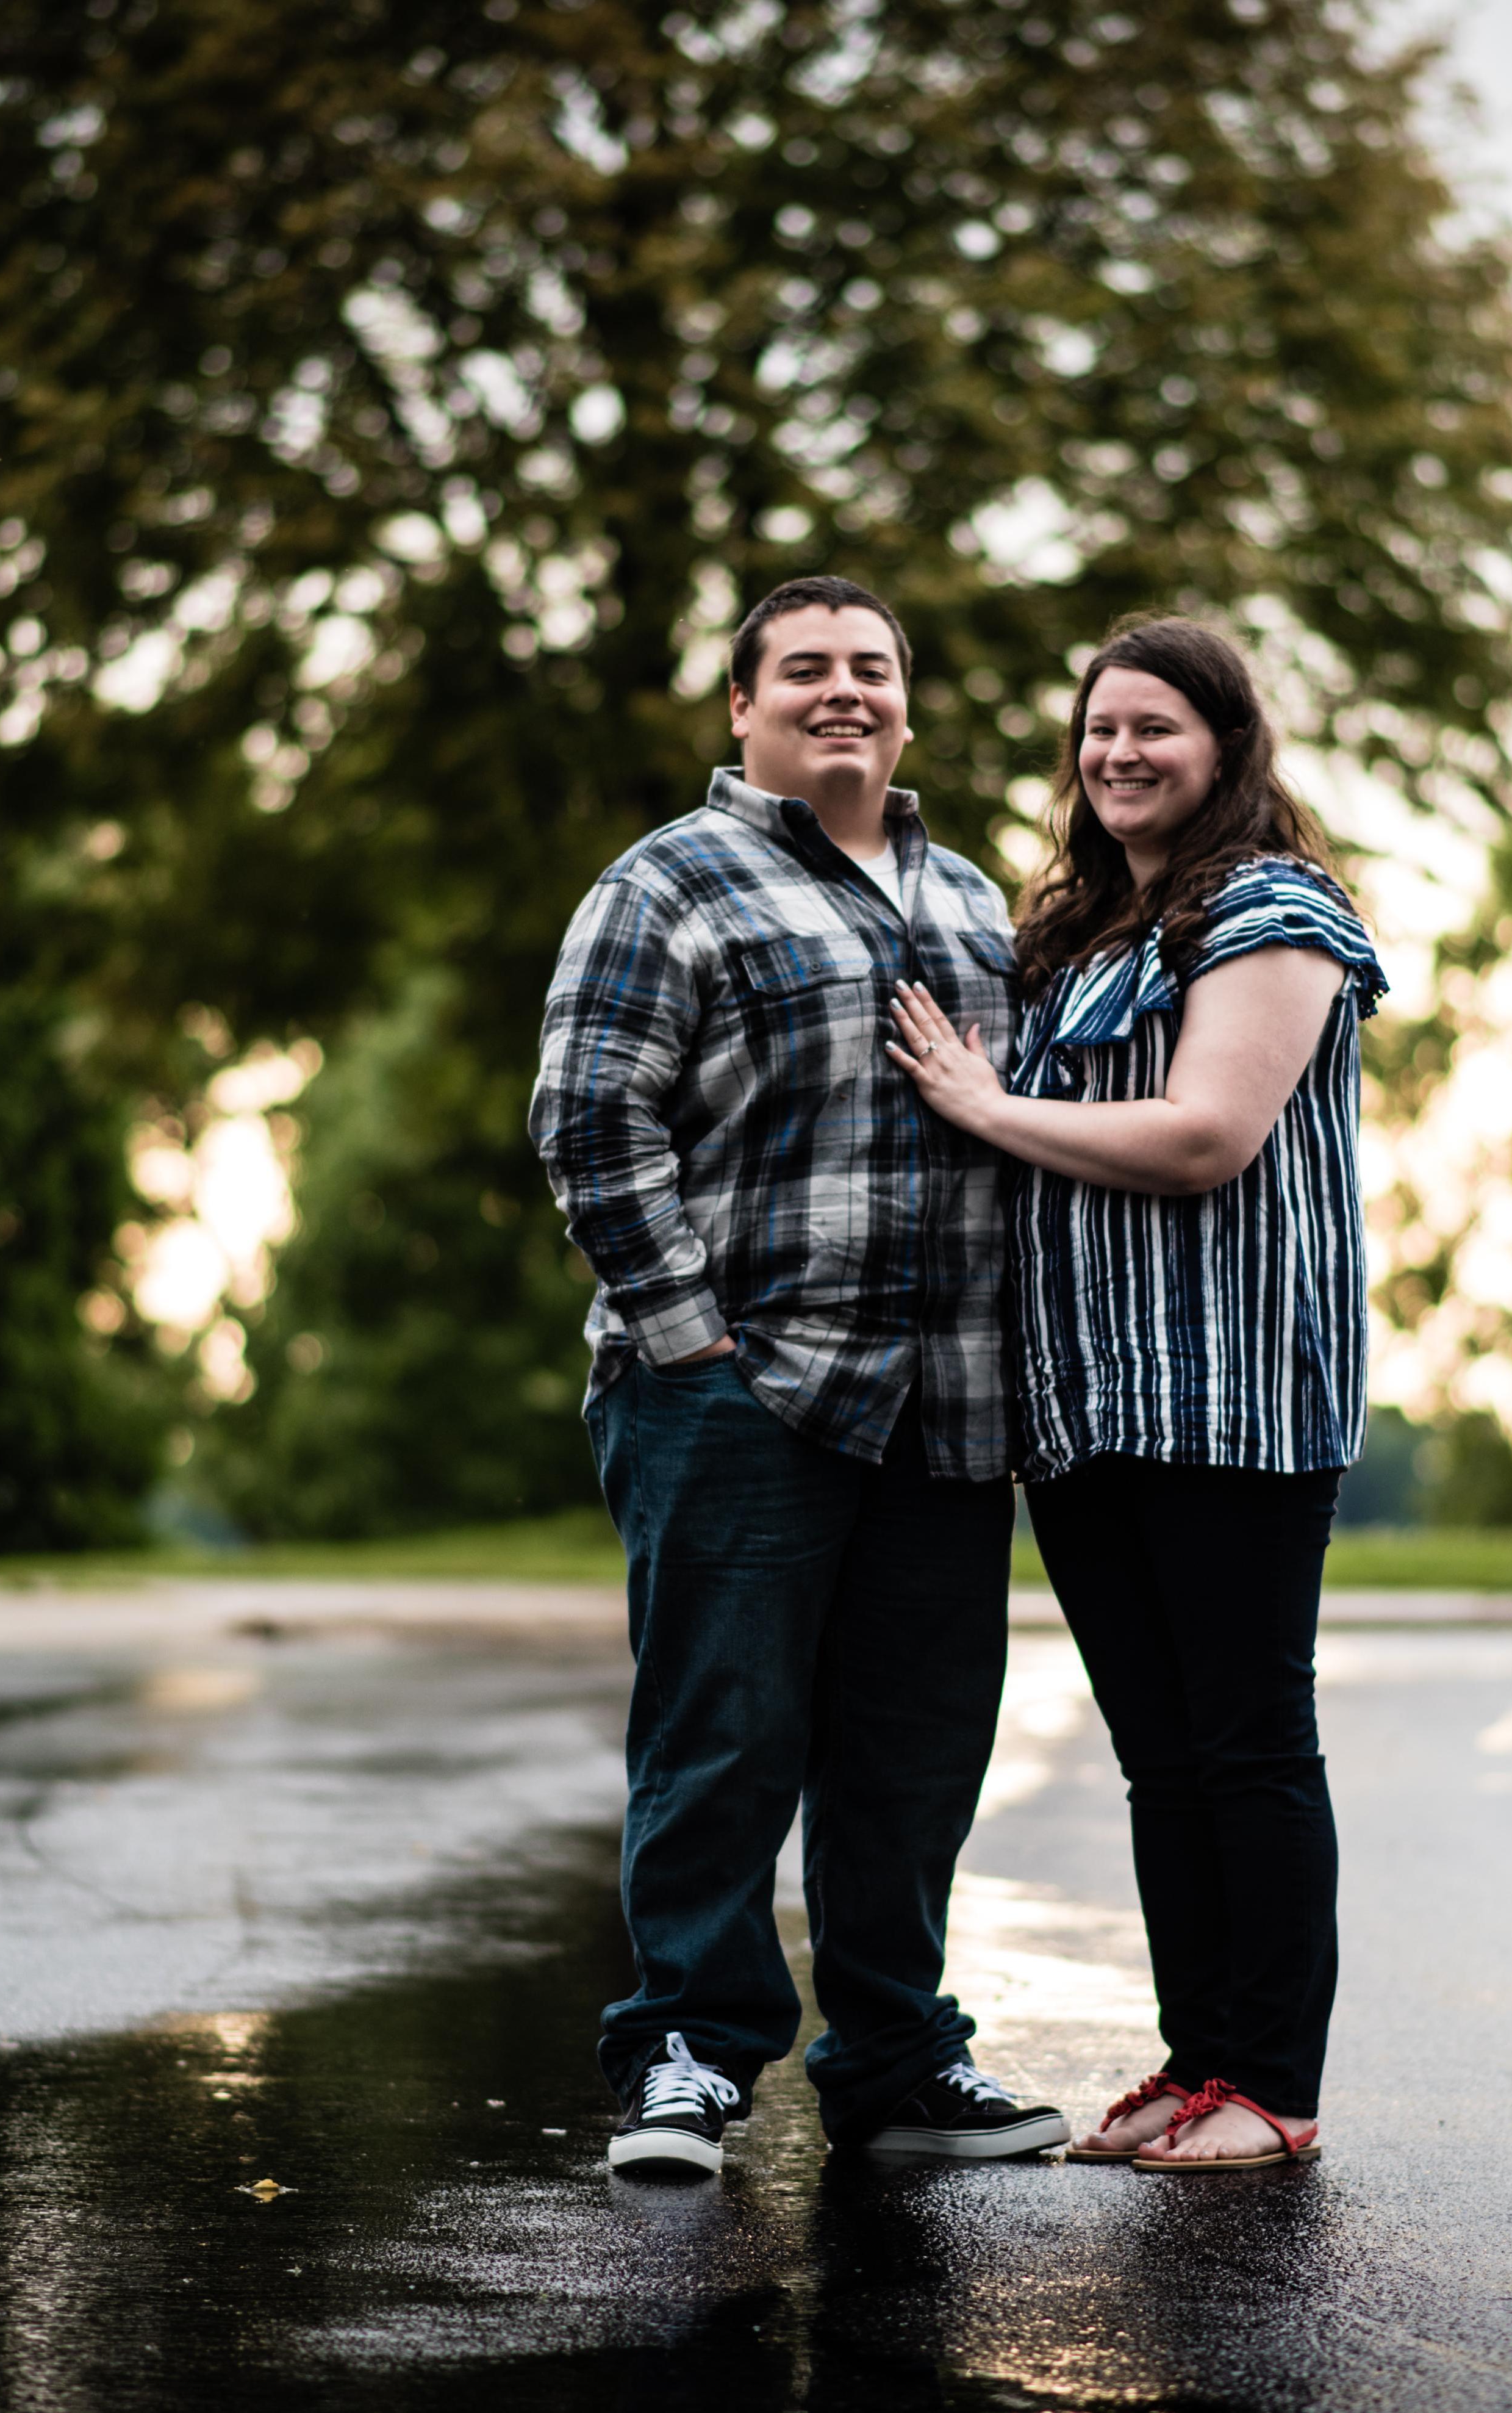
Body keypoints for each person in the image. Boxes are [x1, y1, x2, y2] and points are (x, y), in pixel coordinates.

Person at [529, 575, 1068, 2176]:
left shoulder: (976, 899)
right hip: (734, 1392)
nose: (844, 690)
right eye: (807, 668)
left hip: (943, 1410)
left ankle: (897, 2068)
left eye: (872, 668)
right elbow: (587, 1117)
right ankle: (686, 2059)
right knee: (722, 1736)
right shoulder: (667, 883)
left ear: (906, 705)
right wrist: (692, 1336)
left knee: (912, 1749)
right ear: (745, 706)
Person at [887, 615, 1385, 2172]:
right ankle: (1197, 2069)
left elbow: (1205, 1136)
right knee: (1158, 1756)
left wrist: (984, 1101)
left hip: (1231, 1389)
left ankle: (1274, 2089)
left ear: (1227, 747)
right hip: (1084, 1400)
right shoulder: (1077, 930)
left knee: (1246, 1741)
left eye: (1154, 727)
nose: (1118, 754)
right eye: (1098, 730)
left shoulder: (1270, 908)